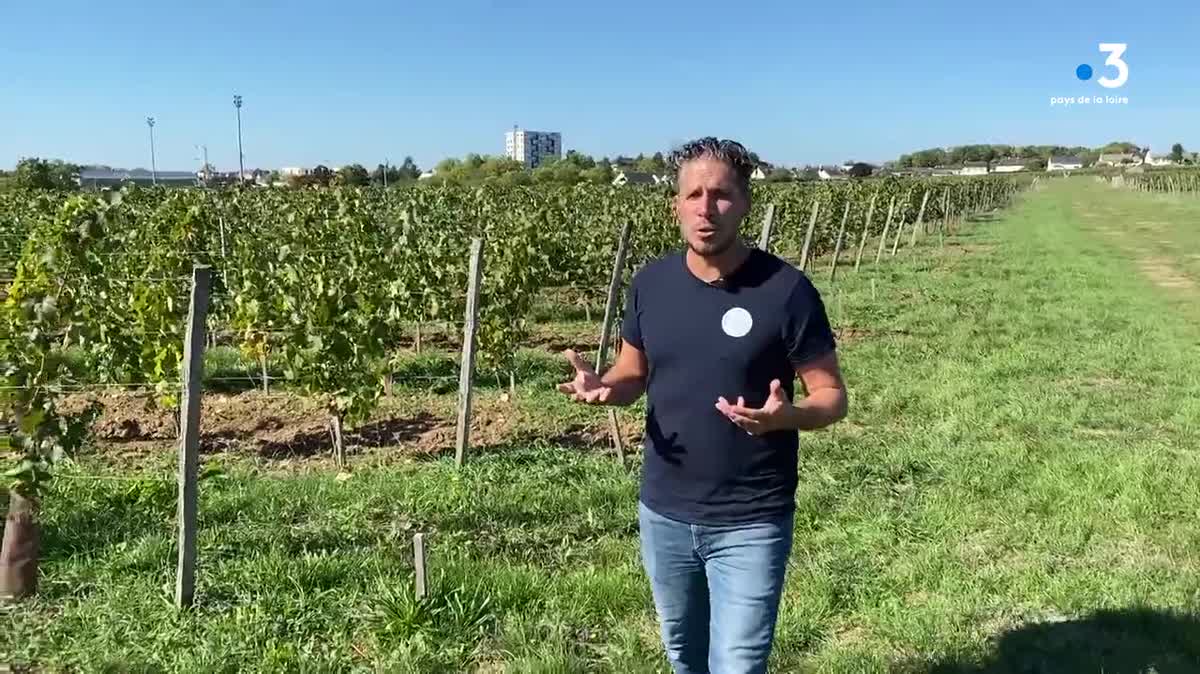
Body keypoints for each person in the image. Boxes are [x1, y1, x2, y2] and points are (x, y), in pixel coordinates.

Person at [557, 137, 848, 674]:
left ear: (745, 204)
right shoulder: (651, 284)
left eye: (720, 195)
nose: (705, 208)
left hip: (751, 518)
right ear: (675, 204)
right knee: (684, 659)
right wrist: (605, 389)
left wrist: (790, 417)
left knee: (737, 663)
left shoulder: (786, 291)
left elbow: (832, 396)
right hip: (664, 513)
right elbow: (633, 373)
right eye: (693, 194)